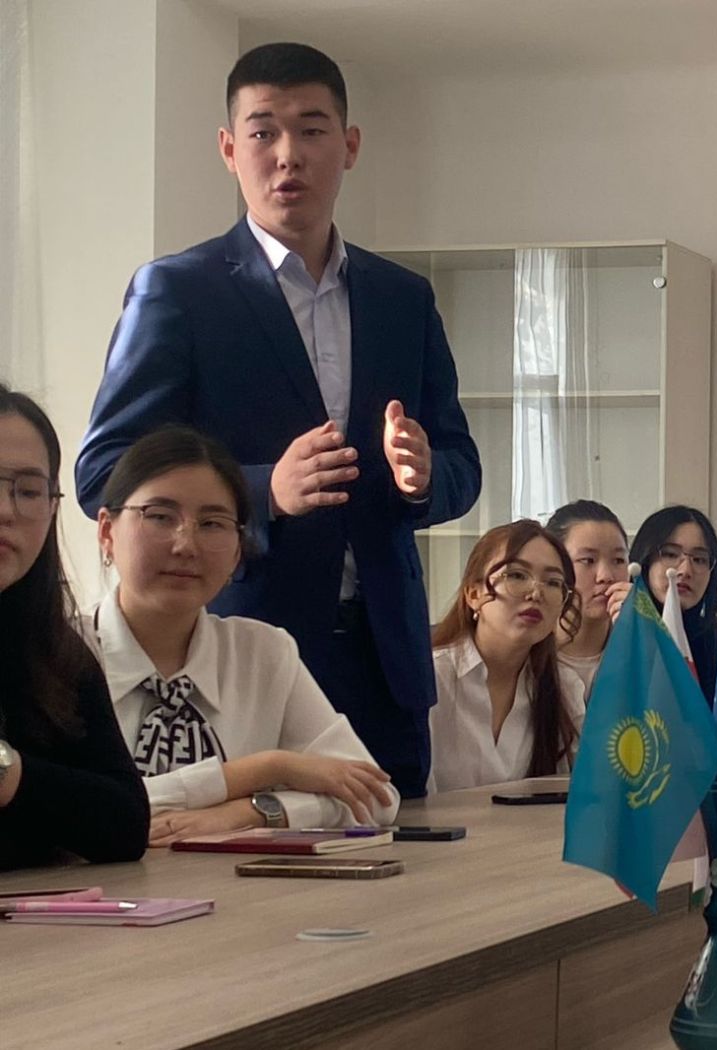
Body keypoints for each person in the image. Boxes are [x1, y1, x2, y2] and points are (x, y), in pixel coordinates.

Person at [76, 42, 481, 798]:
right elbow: (105, 471)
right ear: (230, 150)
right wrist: (263, 492)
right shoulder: (178, 291)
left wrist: (425, 476)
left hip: (385, 660)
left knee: (399, 853)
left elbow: (463, 467)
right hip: (244, 656)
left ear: (349, 145)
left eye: (311, 129)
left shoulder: (403, 299)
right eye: (263, 131)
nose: (287, 154)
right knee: (245, 854)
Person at [86, 427, 398, 845]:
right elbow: (76, 808)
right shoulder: (56, 653)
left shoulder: (262, 653)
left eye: (212, 524)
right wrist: (263, 770)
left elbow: (376, 798)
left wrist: (251, 812)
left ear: (237, 549)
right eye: (160, 516)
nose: (186, 544)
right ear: (107, 532)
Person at [0, 384, 148, 870]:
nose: (6, 510)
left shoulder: (54, 651)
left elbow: (126, 824)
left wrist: (8, 771)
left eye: (27, 491)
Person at [428, 521, 585, 791]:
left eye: (552, 582)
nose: (535, 593)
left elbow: (579, 790)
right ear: (473, 594)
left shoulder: (565, 687)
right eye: (516, 575)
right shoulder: (432, 679)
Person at [610, 506, 717, 691]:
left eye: (699, 559)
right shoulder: (613, 628)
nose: (685, 570)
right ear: (645, 560)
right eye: (670, 554)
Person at [545, 500, 628, 695]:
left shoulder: (643, 651)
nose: (606, 576)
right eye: (588, 560)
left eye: (618, 560)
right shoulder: (526, 653)